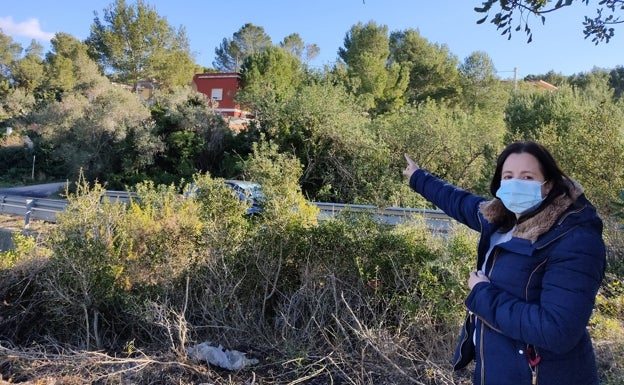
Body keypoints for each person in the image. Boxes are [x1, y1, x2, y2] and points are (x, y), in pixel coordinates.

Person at [403, 141, 605, 385]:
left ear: (548, 184)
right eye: (508, 176)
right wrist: (418, 177)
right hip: (501, 370)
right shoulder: (500, 218)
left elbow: (557, 331)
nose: (515, 184)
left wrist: (482, 294)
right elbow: (458, 201)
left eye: (527, 176)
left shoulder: (575, 239)